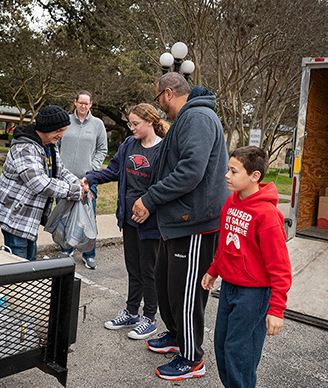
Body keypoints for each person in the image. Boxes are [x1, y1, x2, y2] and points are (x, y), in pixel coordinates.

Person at [132, 72, 229, 380]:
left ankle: (192, 357)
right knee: (167, 284)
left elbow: (190, 171)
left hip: (196, 222)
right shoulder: (189, 117)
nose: (159, 105)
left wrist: (149, 199)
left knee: (186, 293)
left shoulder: (198, 117)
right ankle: (176, 336)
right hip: (179, 221)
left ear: (169, 93)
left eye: (159, 98)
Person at [201, 146, 292, 388]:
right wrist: (214, 269)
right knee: (221, 345)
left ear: (254, 177)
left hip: (253, 293)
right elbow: (227, 243)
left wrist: (277, 309)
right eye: (227, 170)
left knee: (240, 352)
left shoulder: (268, 215)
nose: (226, 176)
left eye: (233, 171)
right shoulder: (231, 202)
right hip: (229, 287)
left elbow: (280, 267)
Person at [83, 103, 169, 339]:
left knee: (149, 270)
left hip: (150, 223)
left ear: (150, 121)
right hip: (129, 219)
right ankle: (132, 311)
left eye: (135, 123)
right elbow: (112, 171)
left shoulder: (163, 150)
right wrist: (90, 178)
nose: (131, 128)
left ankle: (149, 318)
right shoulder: (129, 145)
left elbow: (166, 187)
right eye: (130, 123)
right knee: (133, 268)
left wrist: (150, 207)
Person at [0, 105, 84, 261]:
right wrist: (74, 191)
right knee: (18, 268)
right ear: (46, 128)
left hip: (30, 220)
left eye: (63, 130)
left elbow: (60, 171)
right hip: (16, 218)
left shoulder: (49, 147)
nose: (61, 135)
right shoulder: (24, 147)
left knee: (31, 263)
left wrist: (79, 184)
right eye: (58, 131)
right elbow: (39, 183)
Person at [57, 90, 108, 270]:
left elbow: (102, 149)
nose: (83, 106)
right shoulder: (65, 121)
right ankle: (66, 249)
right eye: (80, 103)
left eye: (87, 104)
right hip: (64, 181)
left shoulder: (97, 124)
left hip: (87, 181)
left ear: (91, 104)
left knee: (88, 218)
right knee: (64, 216)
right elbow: (56, 144)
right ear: (75, 102)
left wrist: (92, 168)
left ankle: (89, 254)